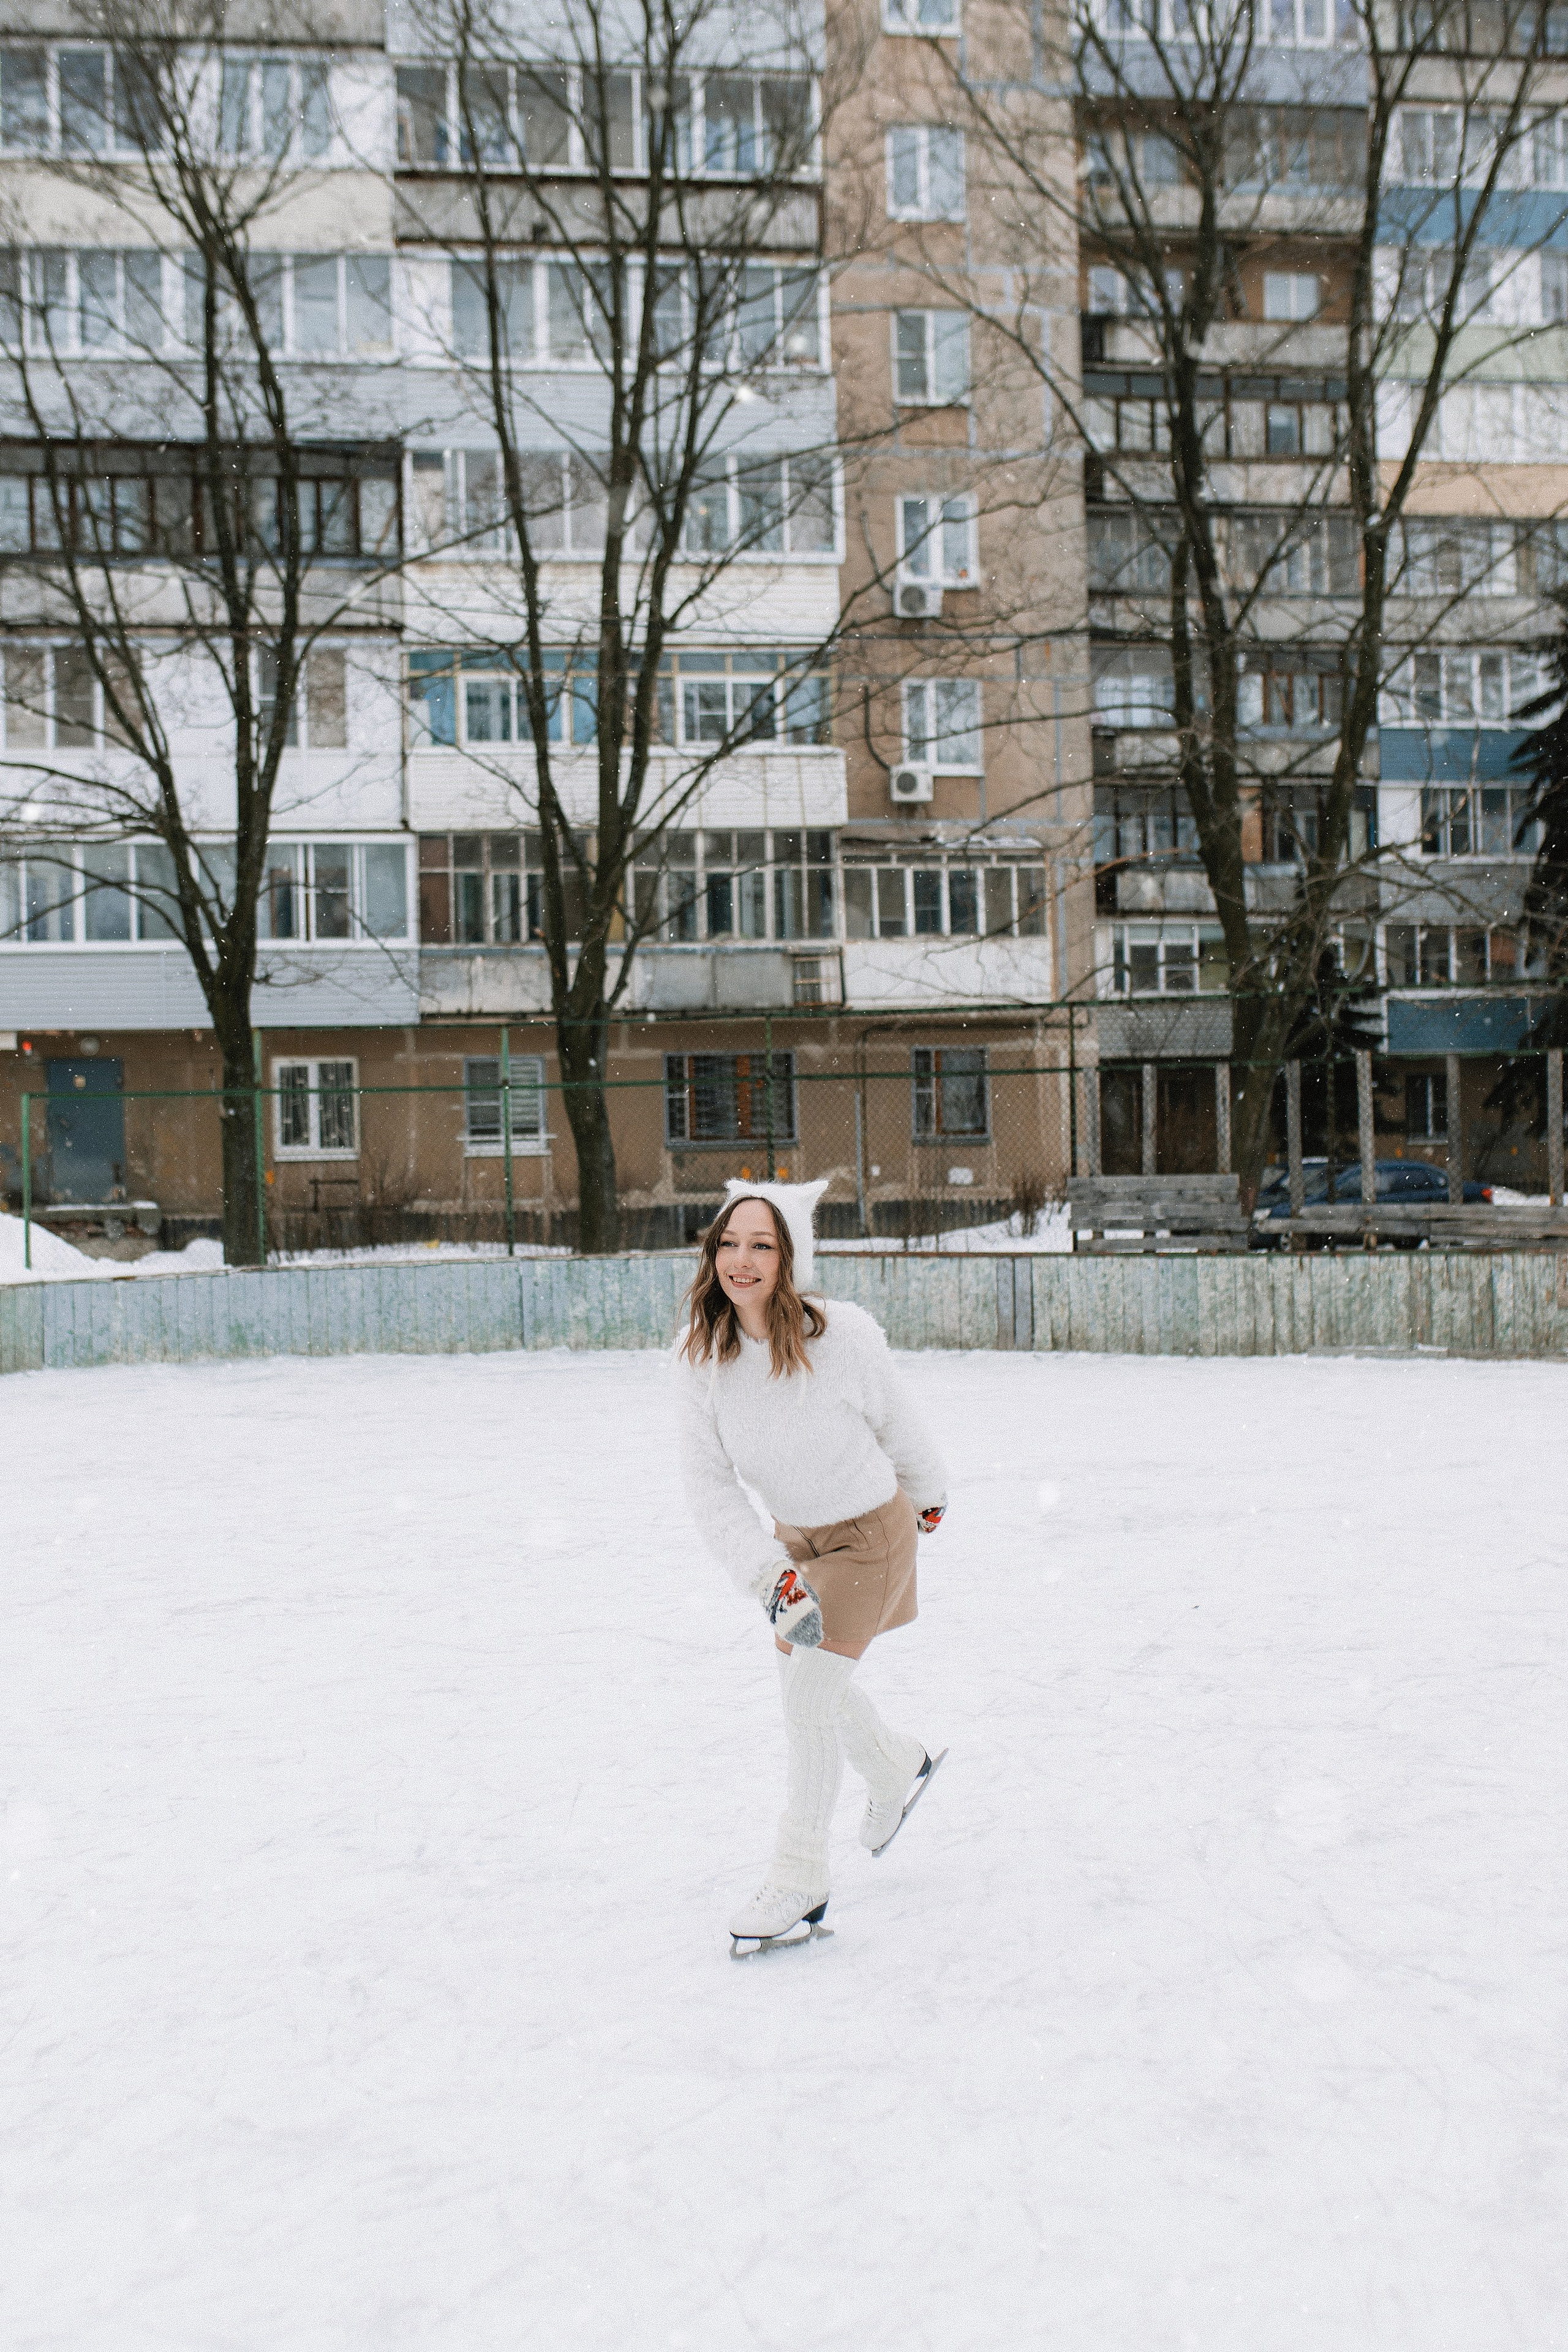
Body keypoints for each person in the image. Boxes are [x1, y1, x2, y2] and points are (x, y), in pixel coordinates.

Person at [676, 1181, 949, 1952]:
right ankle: (895, 1765)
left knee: (804, 1704)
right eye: (729, 1243)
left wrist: (929, 1494)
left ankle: (801, 1876)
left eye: (762, 1245)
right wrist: (769, 1576)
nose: (741, 1260)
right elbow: (708, 1485)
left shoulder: (844, 1337)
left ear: (791, 1258)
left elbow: (899, 1421)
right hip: (794, 1546)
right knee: (810, 1690)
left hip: (871, 1534)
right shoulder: (701, 1357)